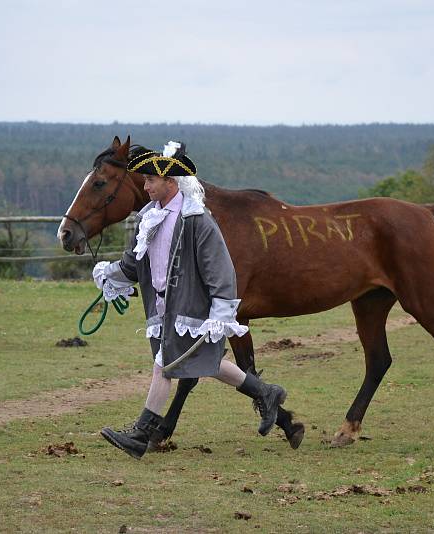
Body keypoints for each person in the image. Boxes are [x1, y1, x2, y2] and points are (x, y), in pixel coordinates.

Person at [93, 141, 288, 459]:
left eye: (151, 180)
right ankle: (266, 392)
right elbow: (134, 262)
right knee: (208, 364)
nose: (145, 185)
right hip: (162, 308)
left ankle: (142, 435)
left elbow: (220, 268)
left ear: (170, 182)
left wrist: (222, 311)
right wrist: (109, 275)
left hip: (190, 308)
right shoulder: (149, 218)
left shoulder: (196, 219)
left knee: (164, 367)